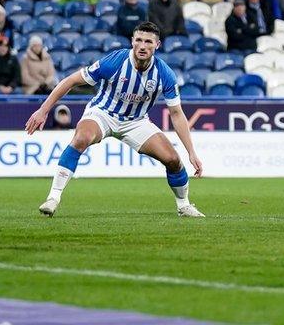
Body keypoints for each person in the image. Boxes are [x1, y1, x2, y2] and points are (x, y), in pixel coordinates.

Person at [25, 21, 204, 218]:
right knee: (81, 139)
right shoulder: (115, 61)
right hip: (103, 113)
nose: (143, 46)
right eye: (139, 40)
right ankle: (53, 197)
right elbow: (71, 81)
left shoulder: (164, 74)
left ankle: (184, 205)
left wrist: (191, 152)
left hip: (136, 121)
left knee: (172, 159)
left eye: (148, 42)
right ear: (132, 41)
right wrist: (43, 110)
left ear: (157, 45)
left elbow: (176, 114)